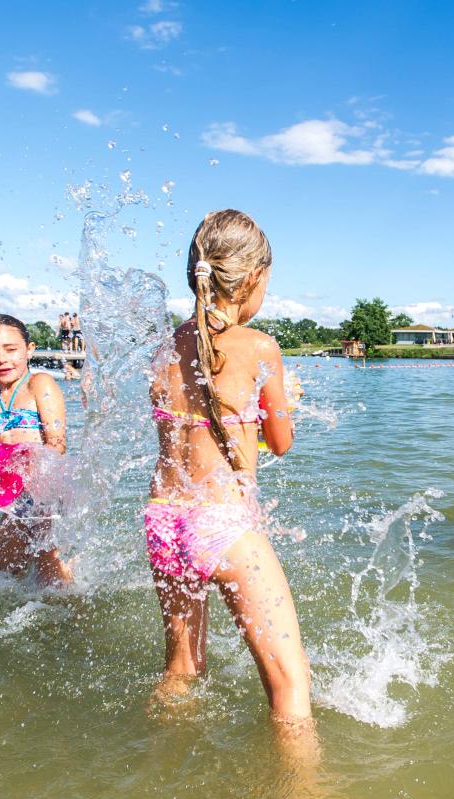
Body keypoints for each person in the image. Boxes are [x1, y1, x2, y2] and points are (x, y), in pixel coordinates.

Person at [146, 209, 312, 737]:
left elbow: (190, 427)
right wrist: (286, 404)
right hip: (221, 524)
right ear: (254, 279)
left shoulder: (164, 346)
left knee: (181, 669)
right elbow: (280, 444)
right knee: (289, 687)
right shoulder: (260, 347)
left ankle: (157, 770)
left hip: (163, 521)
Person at [0, 314, 72, 585]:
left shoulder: (40, 384)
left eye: (11, 349)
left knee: (51, 569)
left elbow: (57, 443)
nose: (1, 359)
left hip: (46, 487)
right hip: (13, 495)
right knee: (2, 569)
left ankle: (72, 610)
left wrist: (34, 470)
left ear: (29, 350)